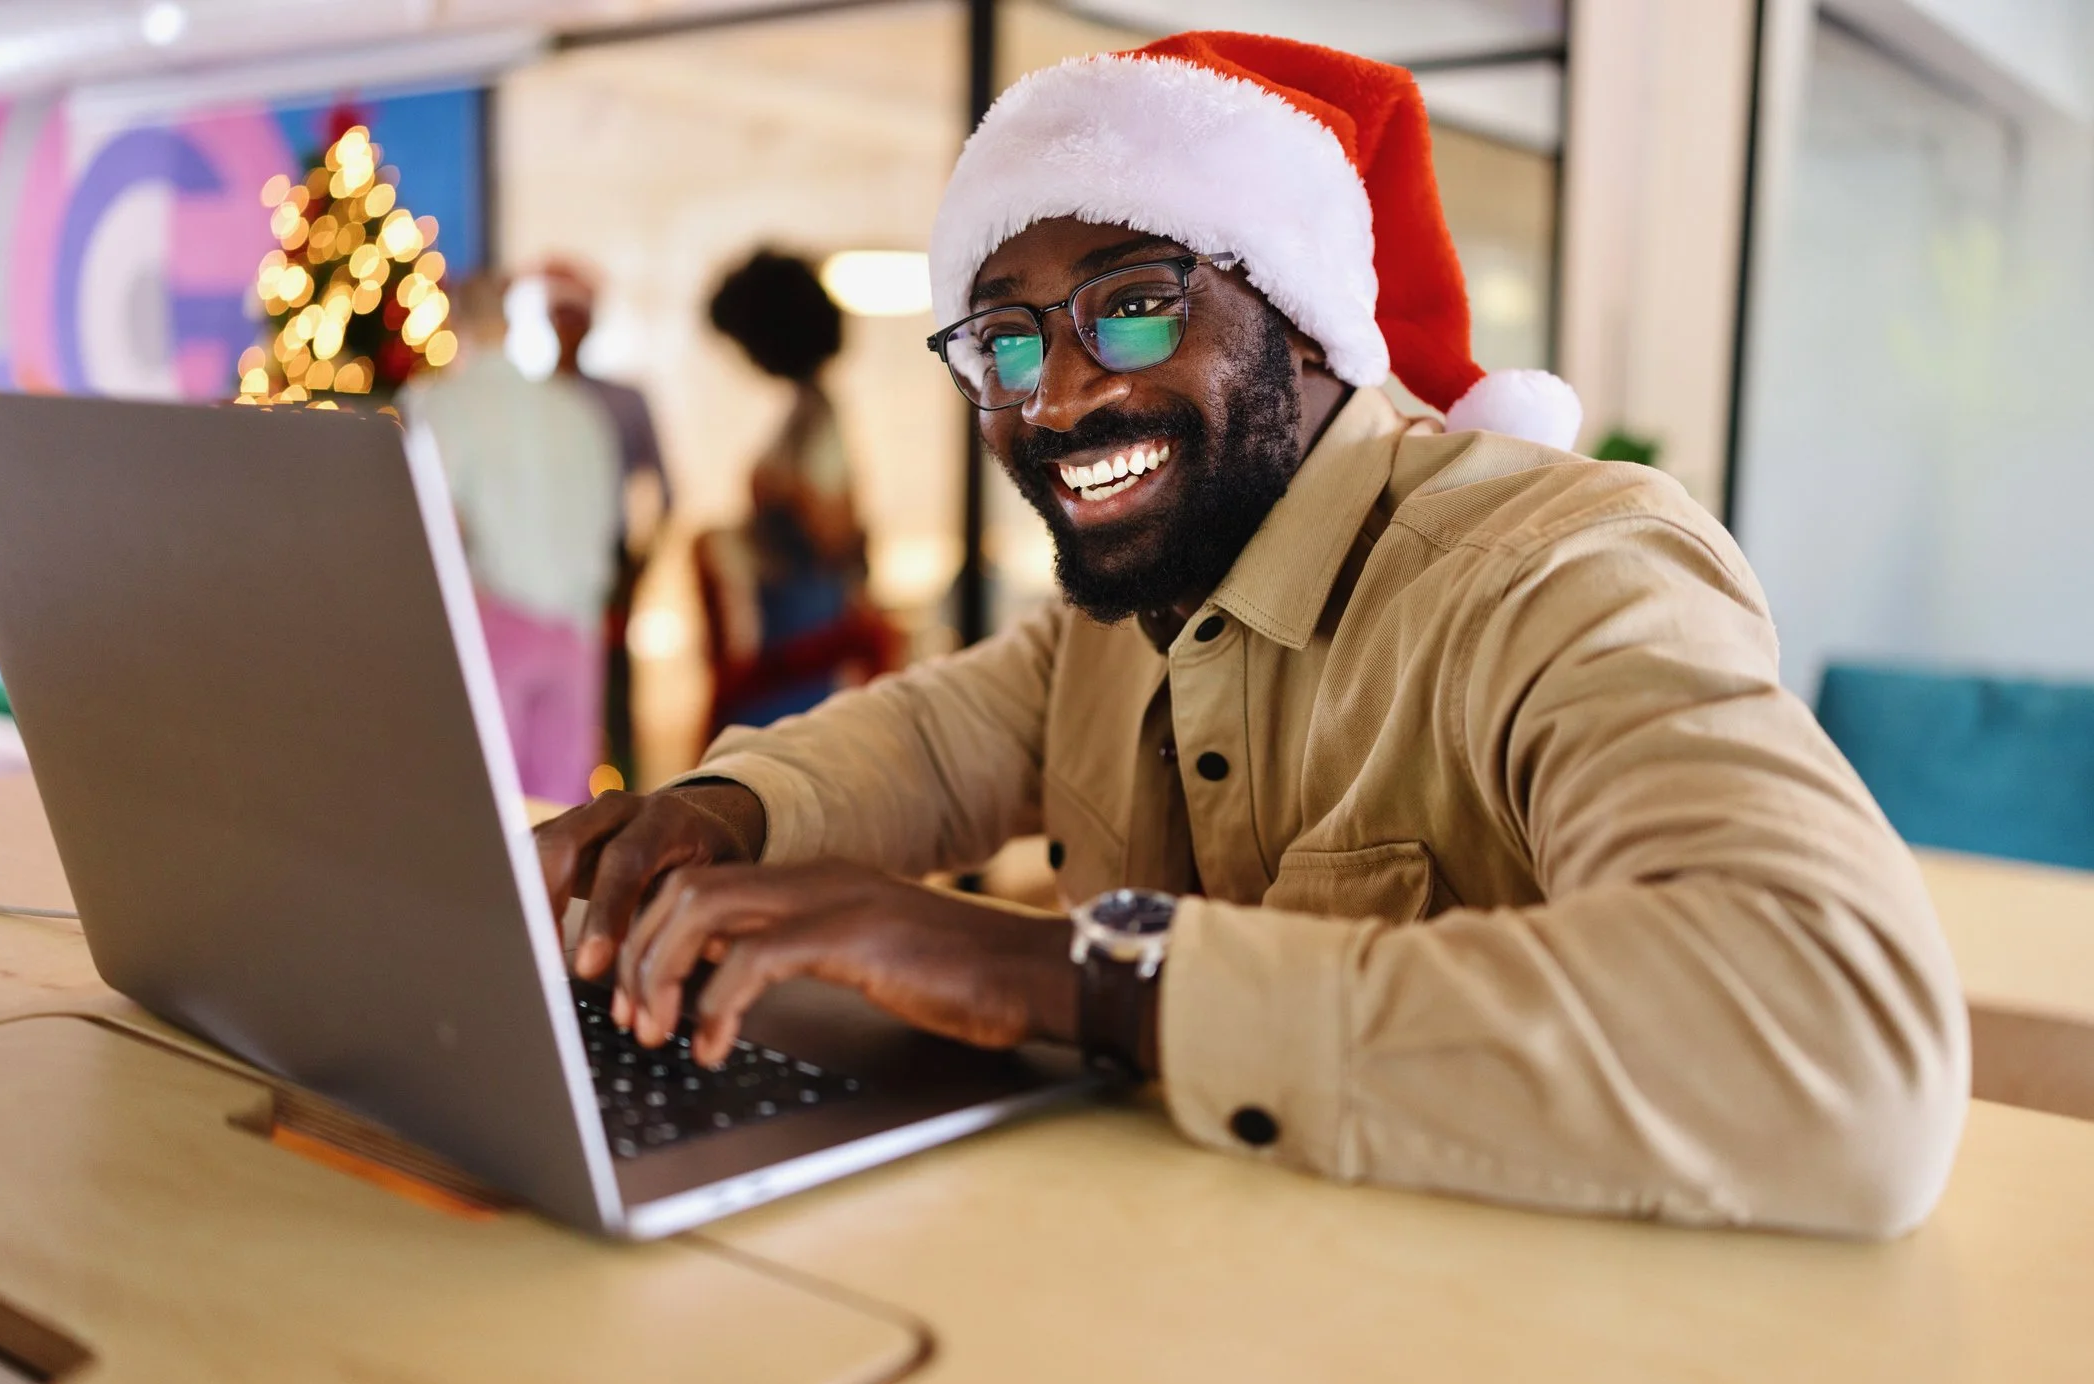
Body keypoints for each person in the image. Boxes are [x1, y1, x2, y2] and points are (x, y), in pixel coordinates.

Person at [535, 32, 1966, 1237]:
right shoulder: (1133, 600)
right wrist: (712, 816)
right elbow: (931, 736)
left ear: (1299, 322)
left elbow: (1842, 1042)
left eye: (1138, 308)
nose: (1057, 395)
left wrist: (1064, 973)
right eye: (1009, 338)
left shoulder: (1557, 569)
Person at [403, 270, 619, 804]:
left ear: (456, 322)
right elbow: (607, 517)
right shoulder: (577, 410)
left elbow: (436, 518)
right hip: (577, 625)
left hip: (492, 621)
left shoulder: (440, 402)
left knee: (484, 806)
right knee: (562, 807)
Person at [694, 250, 896, 736]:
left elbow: (836, 527)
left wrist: (782, 495)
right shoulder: (806, 412)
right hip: (788, 619)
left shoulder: (816, 416)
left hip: (805, 628)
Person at [544, 261, 674, 788]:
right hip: (545, 561)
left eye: (578, 315)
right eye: (562, 314)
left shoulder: (622, 401)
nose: (570, 325)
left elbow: (665, 490)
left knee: (615, 688)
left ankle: (625, 795)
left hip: (607, 557)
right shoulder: (536, 400)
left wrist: (640, 563)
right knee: (553, 684)